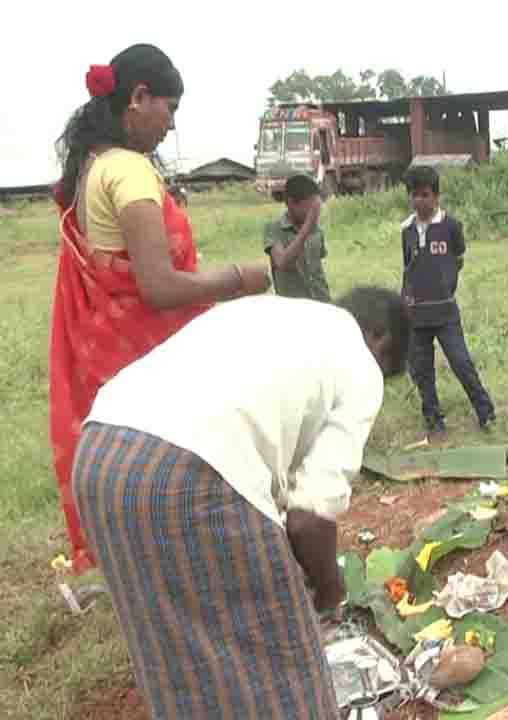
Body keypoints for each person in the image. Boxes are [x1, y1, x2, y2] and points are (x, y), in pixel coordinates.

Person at [71, 287, 409, 719]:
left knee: (176, 656)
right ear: (379, 341)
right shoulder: (359, 361)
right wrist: (329, 589)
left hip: (100, 454)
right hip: (189, 474)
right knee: (285, 661)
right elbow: (308, 519)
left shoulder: (268, 311)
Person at [50, 43, 271, 573]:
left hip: (111, 350)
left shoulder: (93, 167)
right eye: (169, 109)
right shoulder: (128, 171)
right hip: (147, 355)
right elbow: (158, 286)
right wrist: (242, 278)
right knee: (181, 472)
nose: (171, 125)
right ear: (139, 98)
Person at [401, 165, 495, 441]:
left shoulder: (451, 226)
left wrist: (445, 285)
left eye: (425, 195)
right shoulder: (406, 229)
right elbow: (408, 267)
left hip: (445, 311)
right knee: (423, 371)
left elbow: (458, 259)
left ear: (436, 196)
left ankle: (485, 410)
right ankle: (433, 419)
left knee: (461, 362)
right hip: (416, 314)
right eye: (415, 196)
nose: (420, 201)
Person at [264, 174, 331, 301]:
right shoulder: (273, 229)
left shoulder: (317, 231)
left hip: (322, 302)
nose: (313, 214)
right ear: (291, 203)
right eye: (309, 209)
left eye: (315, 209)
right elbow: (282, 263)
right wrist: (307, 228)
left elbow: (316, 269)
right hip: (293, 308)